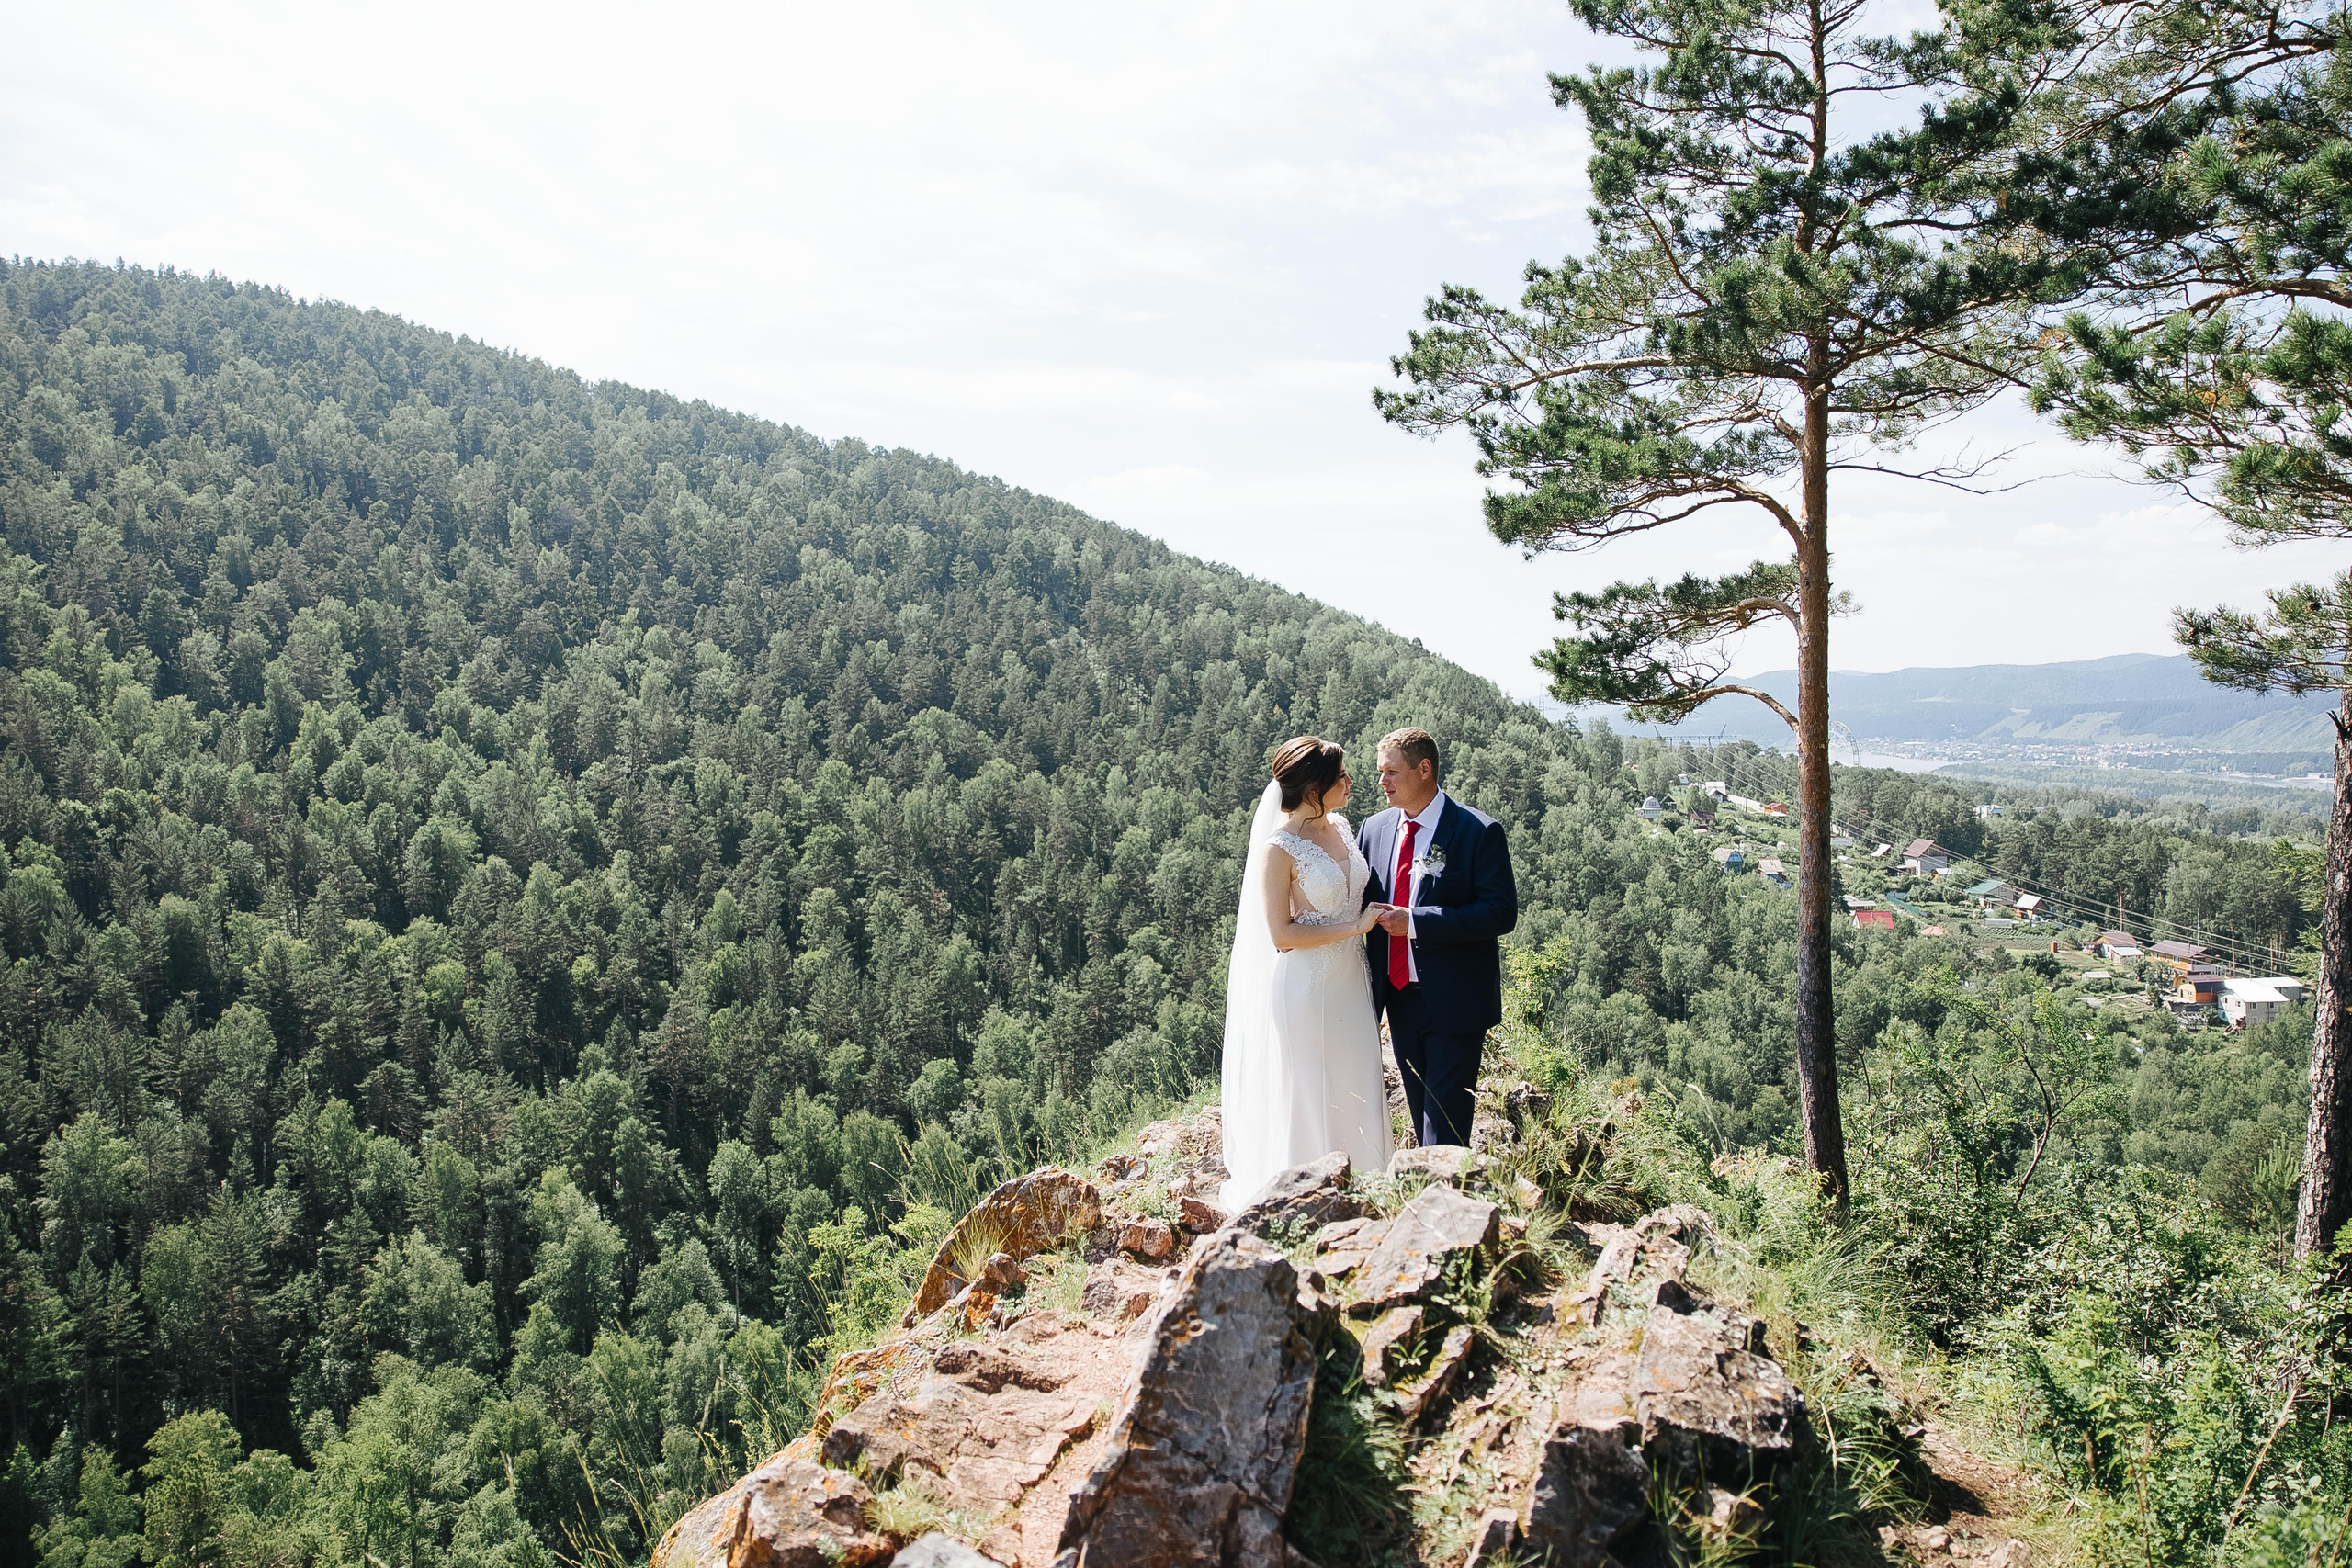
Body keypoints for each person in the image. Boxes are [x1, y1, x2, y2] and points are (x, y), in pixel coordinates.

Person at [1218, 737, 1396, 1209]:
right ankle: (1306, 1201)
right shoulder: (1279, 849)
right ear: (1314, 787)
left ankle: (1367, 1191)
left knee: (1356, 1077)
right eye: (1341, 777)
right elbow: (1281, 933)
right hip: (1306, 987)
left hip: (1351, 983)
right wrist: (1352, 928)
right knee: (1311, 1089)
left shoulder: (1341, 825)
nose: (1352, 782)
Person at [1357, 728, 1518, 1149]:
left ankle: (1444, 1205)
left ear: (1424, 769)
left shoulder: (1477, 831)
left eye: (1391, 771)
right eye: (1379, 772)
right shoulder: (1373, 830)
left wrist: (1416, 921)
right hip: (1397, 1001)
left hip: (1454, 1001)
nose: (1382, 782)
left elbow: (1500, 913)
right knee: (1420, 1114)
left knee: (1443, 1126)